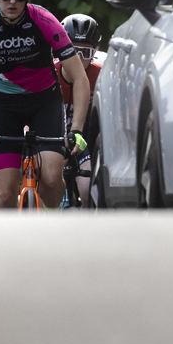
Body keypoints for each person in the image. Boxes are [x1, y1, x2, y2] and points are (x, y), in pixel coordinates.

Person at [0, 0, 89, 208]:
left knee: (52, 180)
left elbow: (79, 78)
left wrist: (76, 130)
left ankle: (51, 227)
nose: (12, 0)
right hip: (4, 105)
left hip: (44, 101)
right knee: (3, 194)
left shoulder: (45, 21)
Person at [56, 14, 102, 207]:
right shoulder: (49, 73)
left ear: (95, 52)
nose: (78, 60)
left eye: (86, 53)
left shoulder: (101, 74)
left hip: (85, 140)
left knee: (86, 185)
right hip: (54, 136)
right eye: (72, 51)